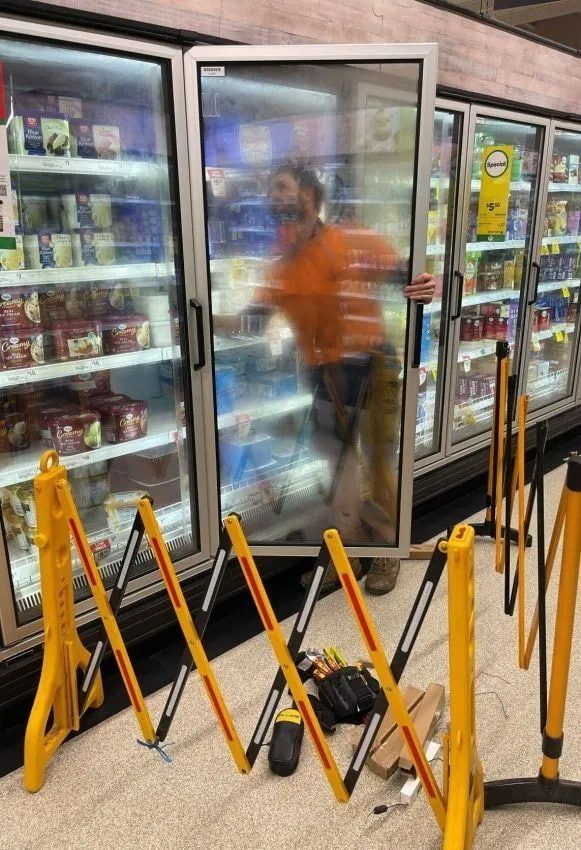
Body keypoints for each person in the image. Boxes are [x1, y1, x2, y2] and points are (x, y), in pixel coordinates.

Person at [219, 164, 435, 594]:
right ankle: (347, 556)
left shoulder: (352, 240)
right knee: (340, 471)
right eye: (271, 191)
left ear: (310, 196)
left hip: (373, 365)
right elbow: (250, 321)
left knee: (377, 463)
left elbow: (409, 276)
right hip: (325, 376)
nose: (274, 196)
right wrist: (197, 317)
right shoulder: (282, 267)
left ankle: (387, 555)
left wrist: (426, 284)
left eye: (282, 187)